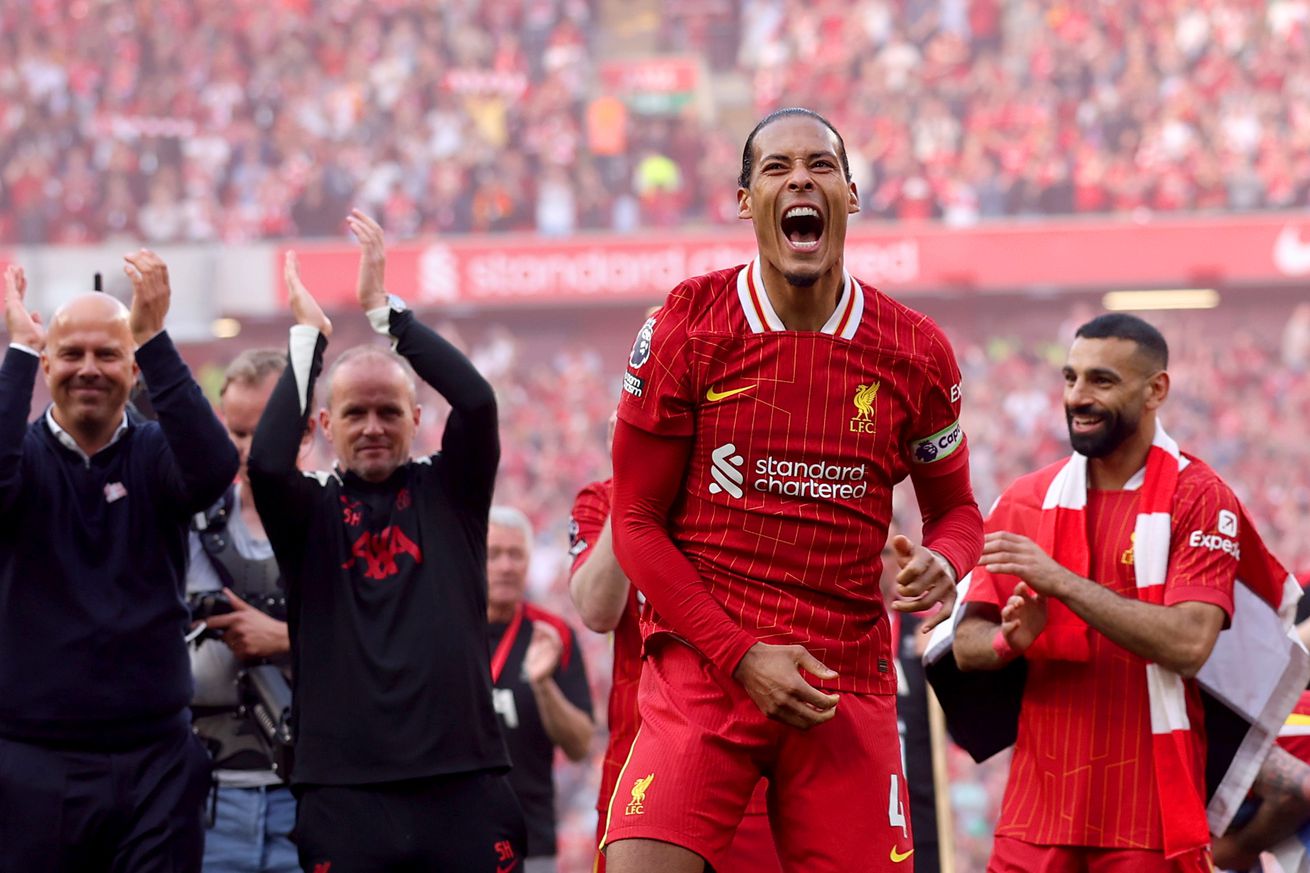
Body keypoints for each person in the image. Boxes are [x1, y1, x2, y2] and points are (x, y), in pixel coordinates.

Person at [605, 107, 985, 872]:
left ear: (850, 193)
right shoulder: (689, 322)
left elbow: (957, 512)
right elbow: (635, 521)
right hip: (707, 668)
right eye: (776, 168)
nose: (800, 178)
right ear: (746, 201)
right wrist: (741, 655)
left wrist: (944, 560)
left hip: (840, 681)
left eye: (820, 165)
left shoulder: (915, 349)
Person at [950, 313, 1289, 872]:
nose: (1078, 397)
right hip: (1034, 824)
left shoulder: (1201, 498)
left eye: (1102, 381)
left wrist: (1060, 580)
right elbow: (966, 642)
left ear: (1156, 390)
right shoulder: (1026, 498)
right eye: (1070, 378)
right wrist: (1010, 642)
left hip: (1148, 825)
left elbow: (1188, 643)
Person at [247, 211, 525, 872]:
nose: (373, 426)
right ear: (325, 422)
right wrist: (309, 343)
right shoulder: (308, 509)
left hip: (464, 782)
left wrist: (385, 314)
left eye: (389, 411)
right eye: (354, 412)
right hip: (344, 792)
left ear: (417, 419)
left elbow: (479, 402)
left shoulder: (450, 489)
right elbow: (264, 463)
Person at [0, 254, 238, 871]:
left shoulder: (156, 454)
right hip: (32, 758)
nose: (88, 369)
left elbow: (213, 470)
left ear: (133, 372)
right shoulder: (19, 459)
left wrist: (156, 340)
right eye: (69, 353)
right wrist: (17, 354)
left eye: (107, 355)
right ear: (46, 364)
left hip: (154, 758)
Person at [567, 412, 782, 873]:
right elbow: (597, 611)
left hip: (742, 762)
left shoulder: (737, 489)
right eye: (625, 431)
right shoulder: (600, 499)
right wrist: (630, 492)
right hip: (639, 754)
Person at [188, 348, 310, 873]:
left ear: (305, 431)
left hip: (307, 794)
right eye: (236, 433)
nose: (246, 450)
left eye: (262, 432)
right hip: (205, 792)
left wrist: (284, 639)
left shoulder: (336, 519)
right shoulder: (186, 520)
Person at [486, 505, 594, 872]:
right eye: (493, 554)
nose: (505, 565)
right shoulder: (446, 630)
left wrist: (543, 684)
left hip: (529, 837)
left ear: (528, 561)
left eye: (515, 554)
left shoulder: (554, 634)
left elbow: (580, 745)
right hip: (453, 834)